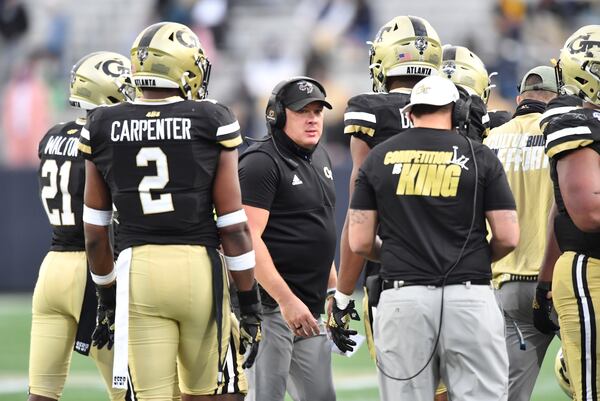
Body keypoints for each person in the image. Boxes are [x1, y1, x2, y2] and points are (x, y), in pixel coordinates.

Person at [78, 22, 261, 401]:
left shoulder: (101, 123)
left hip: (137, 271)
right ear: (183, 67)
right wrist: (250, 303)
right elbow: (233, 225)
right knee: (215, 393)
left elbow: (95, 233)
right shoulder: (212, 118)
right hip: (198, 269)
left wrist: (107, 298)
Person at [329, 75, 519, 401]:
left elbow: (359, 241)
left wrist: (396, 255)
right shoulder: (480, 156)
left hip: (404, 297)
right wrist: (471, 259)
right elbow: (508, 235)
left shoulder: (378, 158)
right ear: (456, 112)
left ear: (410, 112)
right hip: (470, 295)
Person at [339, 15, 449, 400]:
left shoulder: (372, 112)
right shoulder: (462, 110)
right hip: (462, 275)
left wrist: (340, 295)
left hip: (395, 276)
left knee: (407, 391)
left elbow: (359, 221)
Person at [29, 51, 135, 401]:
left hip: (52, 269)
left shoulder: (53, 135)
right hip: (94, 268)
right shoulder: (109, 141)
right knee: (129, 392)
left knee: (41, 393)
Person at [238, 76, 337, 401]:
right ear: (277, 115)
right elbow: (248, 237)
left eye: (318, 111)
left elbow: (319, 231)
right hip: (270, 309)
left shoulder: (319, 156)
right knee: (265, 396)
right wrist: (285, 300)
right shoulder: (261, 162)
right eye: (302, 111)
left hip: (307, 310)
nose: (312, 119)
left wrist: (334, 292)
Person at [483, 65, 559, 401]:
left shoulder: (491, 138)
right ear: (558, 98)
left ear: (518, 99)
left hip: (508, 284)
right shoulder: (566, 133)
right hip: (561, 280)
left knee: (511, 395)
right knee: (590, 382)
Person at [535, 24, 600, 401]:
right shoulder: (575, 123)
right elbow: (585, 212)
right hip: (591, 271)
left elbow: (553, 215)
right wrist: (545, 283)